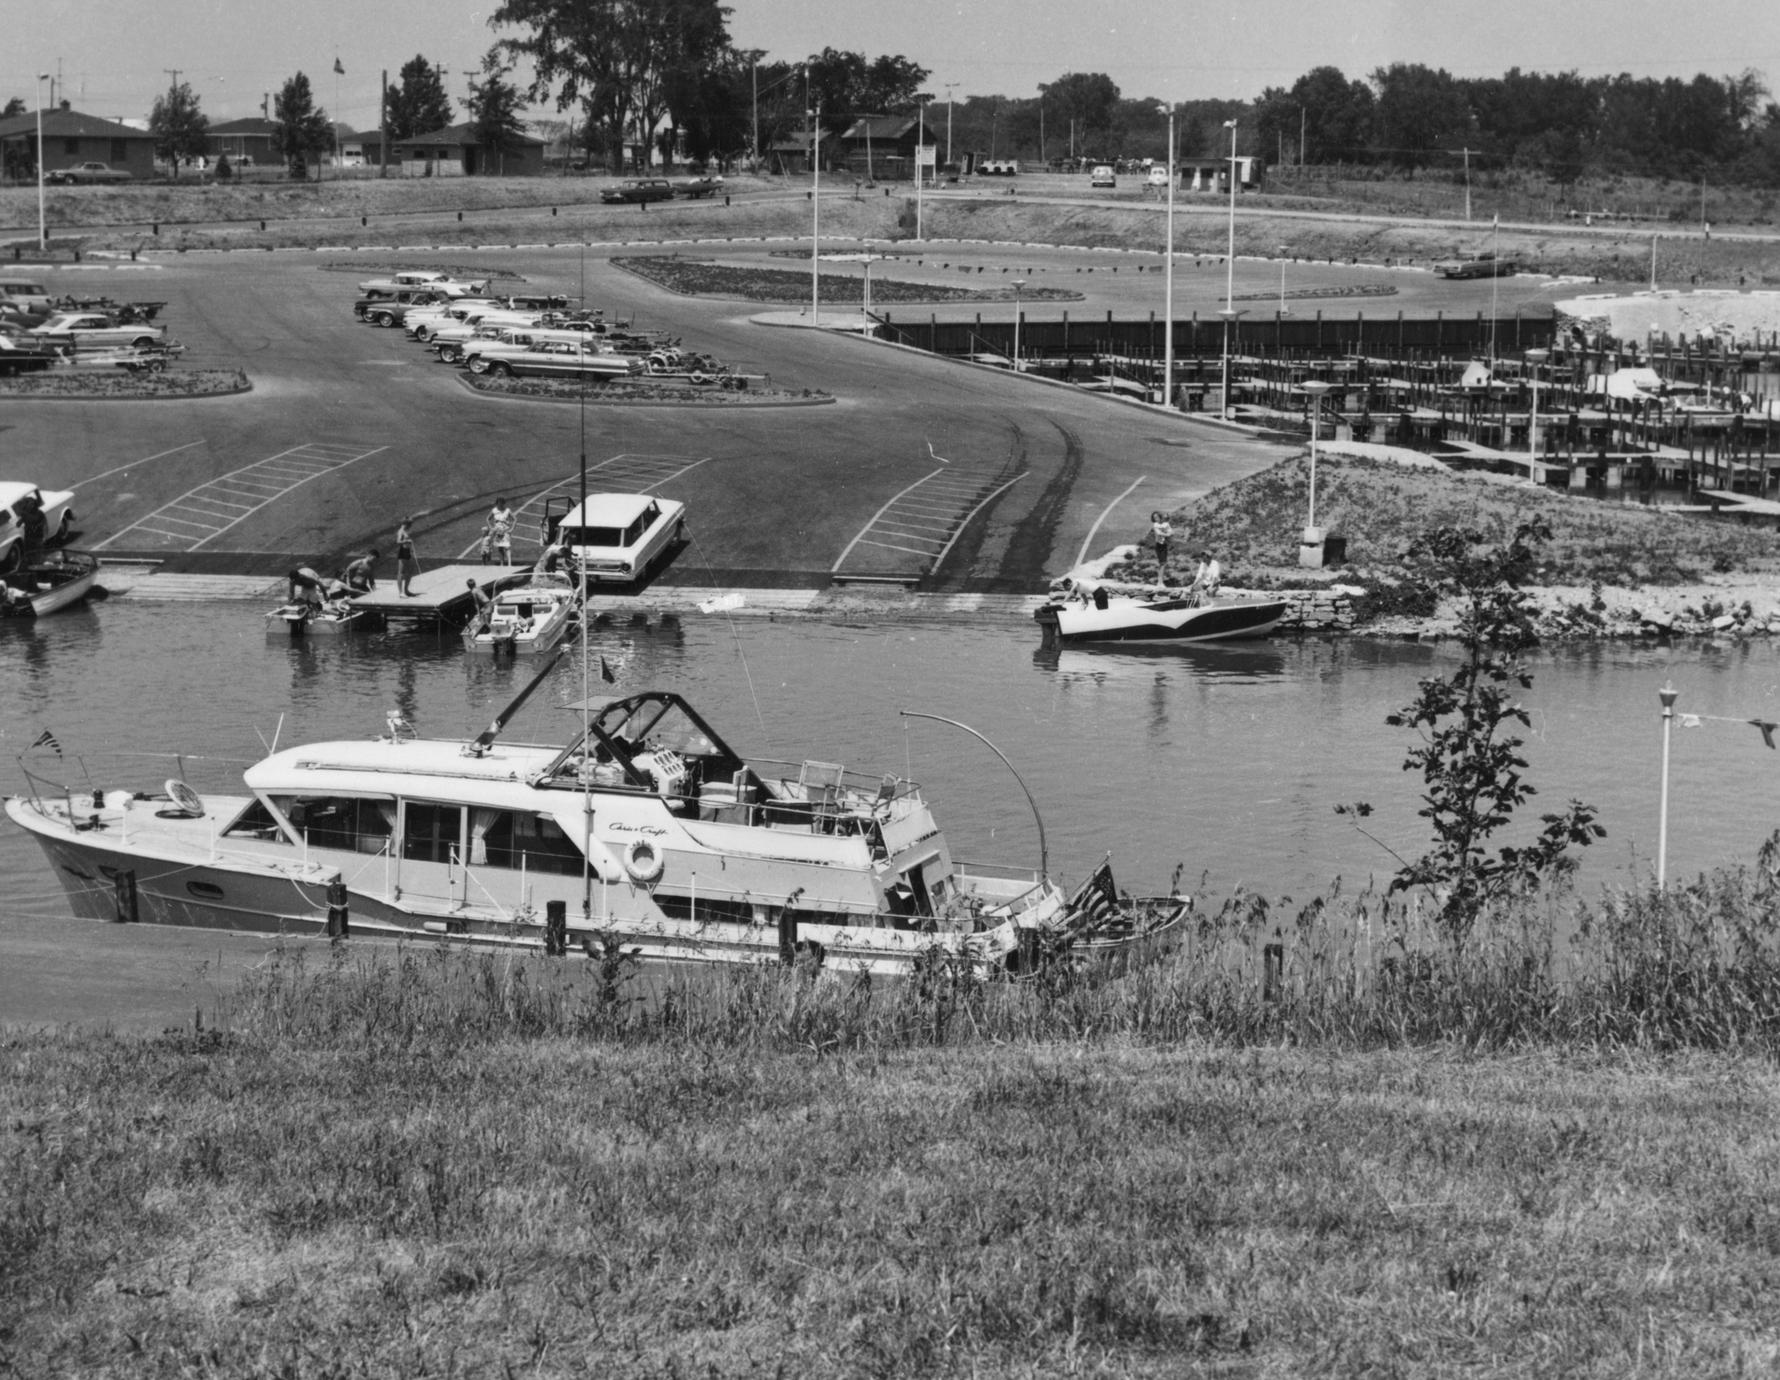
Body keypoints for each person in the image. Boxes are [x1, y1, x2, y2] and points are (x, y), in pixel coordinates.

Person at [1149, 511, 1172, 586]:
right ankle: (1160, 581)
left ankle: (1160, 580)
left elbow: (1171, 531)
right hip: (1159, 545)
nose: (1156, 519)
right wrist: (1167, 534)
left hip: (1164, 545)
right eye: (1154, 518)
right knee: (1163, 563)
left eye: (1157, 517)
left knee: (1163, 563)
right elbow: (1159, 533)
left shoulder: (1165, 524)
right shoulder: (1155, 525)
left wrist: (1168, 532)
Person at [395, 518, 418, 596]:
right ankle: (400, 592)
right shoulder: (400, 532)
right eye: (409, 525)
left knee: (410, 571)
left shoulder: (405, 531)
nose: (410, 527)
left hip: (408, 551)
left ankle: (406, 590)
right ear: (405, 524)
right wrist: (407, 541)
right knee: (401, 572)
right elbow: (398, 542)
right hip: (403, 551)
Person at [489, 499, 514, 565]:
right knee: (500, 547)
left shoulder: (507, 510)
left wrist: (512, 529)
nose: (499, 505)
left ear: (503, 503)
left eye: (501, 503)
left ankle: (509, 563)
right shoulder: (494, 510)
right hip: (498, 531)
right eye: (498, 504)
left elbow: (515, 519)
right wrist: (491, 527)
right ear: (496, 504)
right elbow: (488, 518)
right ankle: (501, 563)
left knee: (507, 546)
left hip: (505, 530)